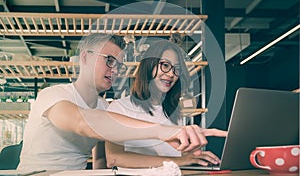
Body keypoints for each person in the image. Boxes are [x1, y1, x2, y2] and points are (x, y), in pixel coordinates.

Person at [17, 33, 221, 171]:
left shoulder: (104, 107)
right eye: (109, 60)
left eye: (119, 65)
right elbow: (82, 123)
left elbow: (100, 160)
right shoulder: (52, 94)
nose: (115, 70)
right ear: (85, 58)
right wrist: (163, 131)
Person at [102, 40, 227, 168]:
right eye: (165, 65)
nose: (172, 74)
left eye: (176, 69)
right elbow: (114, 158)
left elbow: (172, 157)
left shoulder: (174, 112)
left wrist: (191, 157)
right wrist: (179, 161)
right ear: (149, 66)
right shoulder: (119, 108)